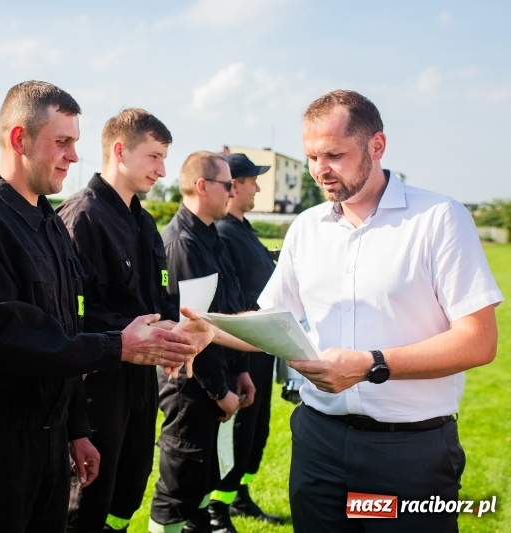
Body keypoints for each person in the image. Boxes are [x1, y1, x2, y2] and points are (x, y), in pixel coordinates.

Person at [0, 80, 206, 533]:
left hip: (50, 441)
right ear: (19, 139)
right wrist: (117, 346)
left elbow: (67, 331)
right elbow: (5, 342)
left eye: (75, 142)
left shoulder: (48, 224)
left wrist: (75, 428)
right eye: (62, 142)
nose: (74, 156)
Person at [258, 89, 502, 532]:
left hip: (406, 455)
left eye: (334, 155)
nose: (320, 170)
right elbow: (271, 320)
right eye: (311, 157)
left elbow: (479, 340)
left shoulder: (439, 218)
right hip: (317, 443)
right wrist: (207, 330)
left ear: (377, 145)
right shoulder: (307, 228)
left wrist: (371, 364)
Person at [56, 108, 177, 532]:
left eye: (164, 159)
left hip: (142, 381)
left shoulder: (145, 222)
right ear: (120, 151)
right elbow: (68, 317)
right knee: (87, 501)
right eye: (154, 157)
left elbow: (159, 298)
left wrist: (174, 332)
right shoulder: (81, 217)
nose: (162, 170)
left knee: (128, 490)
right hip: (97, 383)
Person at [149, 150, 256, 533]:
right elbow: (194, 328)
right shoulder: (182, 245)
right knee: (178, 487)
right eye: (227, 185)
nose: (233, 192)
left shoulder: (211, 237)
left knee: (202, 481)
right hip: (189, 385)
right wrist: (219, 391)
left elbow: (226, 309)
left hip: (216, 380)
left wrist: (240, 370)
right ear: (201, 186)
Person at [210, 153, 283, 527]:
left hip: (261, 348)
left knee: (256, 429)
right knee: (237, 432)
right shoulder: (224, 233)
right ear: (234, 185)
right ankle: (217, 508)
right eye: (252, 180)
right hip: (241, 350)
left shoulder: (243, 228)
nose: (257, 187)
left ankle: (239, 495)